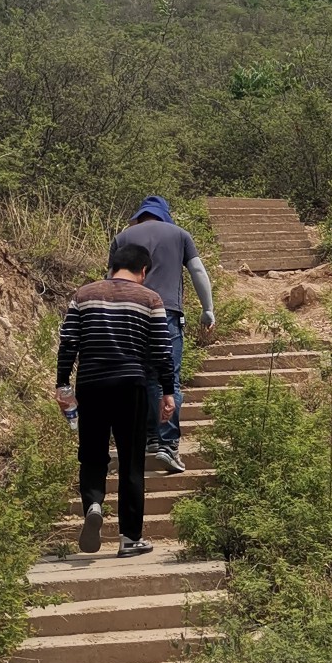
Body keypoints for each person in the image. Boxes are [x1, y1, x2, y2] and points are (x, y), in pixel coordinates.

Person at [54, 241, 176, 558]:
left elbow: (68, 343)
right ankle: (129, 538)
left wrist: (62, 384)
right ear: (144, 271)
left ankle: (93, 503)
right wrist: (167, 391)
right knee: (131, 461)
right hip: (131, 386)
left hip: (91, 385)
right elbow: (162, 351)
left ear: (112, 266)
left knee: (92, 454)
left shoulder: (83, 295)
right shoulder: (150, 299)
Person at [107, 196, 215, 476]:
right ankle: (167, 445)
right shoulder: (180, 234)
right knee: (167, 379)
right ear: (164, 215)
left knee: (137, 378)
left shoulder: (123, 236)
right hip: (165, 314)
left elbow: (111, 279)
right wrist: (207, 309)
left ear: (140, 215)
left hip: (128, 315)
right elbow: (197, 271)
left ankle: (148, 439)